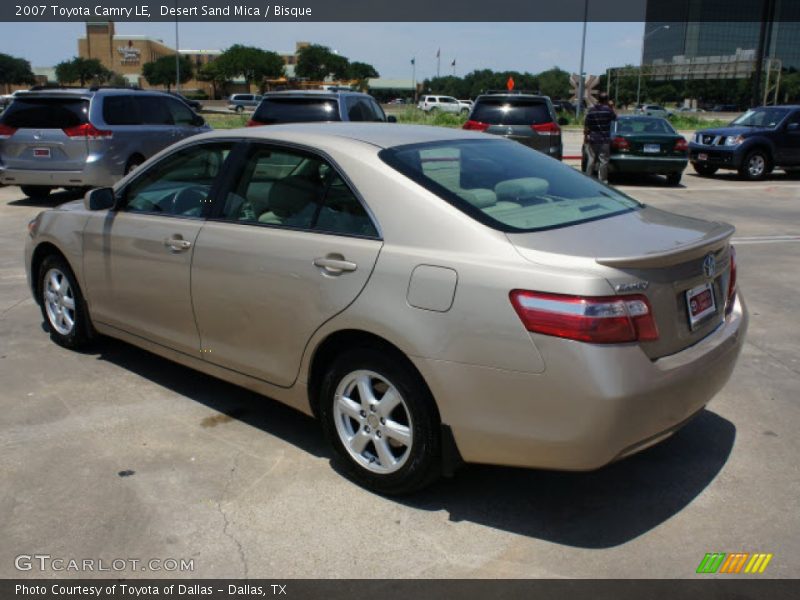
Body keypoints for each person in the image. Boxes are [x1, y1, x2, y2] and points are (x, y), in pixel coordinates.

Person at [583, 92, 617, 184]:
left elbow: (586, 125)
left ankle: (588, 178)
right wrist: (612, 106)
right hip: (604, 139)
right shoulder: (608, 110)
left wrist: (586, 137)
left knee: (591, 159)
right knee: (603, 160)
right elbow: (615, 118)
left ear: (598, 99)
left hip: (593, 139)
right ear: (606, 100)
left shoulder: (591, 110)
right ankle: (602, 180)